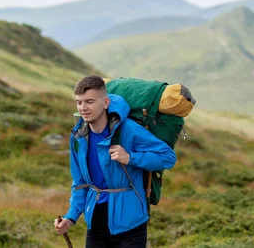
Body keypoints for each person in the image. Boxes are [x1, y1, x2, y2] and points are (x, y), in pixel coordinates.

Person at [54, 75, 177, 247]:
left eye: (90, 101)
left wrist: (130, 158)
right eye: (79, 102)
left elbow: (168, 157)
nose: (83, 108)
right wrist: (71, 216)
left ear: (105, 103)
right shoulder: (78, 136)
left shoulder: (128, 130)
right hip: (96, 222)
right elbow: (80, 183)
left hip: (130, 225)